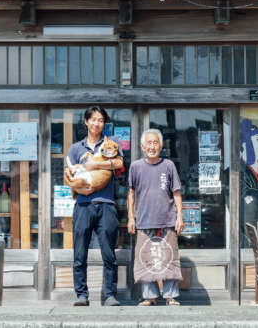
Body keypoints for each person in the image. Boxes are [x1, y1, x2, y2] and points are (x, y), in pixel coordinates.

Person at [64, 106, 124, 307]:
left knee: (109, 253)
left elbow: (118, 164)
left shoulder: (111, 144)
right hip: (83, 205)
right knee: (79, 253)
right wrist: (81, 189)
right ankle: (81, 294)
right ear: (86, 122)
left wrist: (95, 165)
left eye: (101, 120)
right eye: (94, 119)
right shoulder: (76, 148)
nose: (97, 123)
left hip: (106, 205)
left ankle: (110, 295)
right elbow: (68, 176)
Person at [128, 129, 184, 306]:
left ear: (160, 145)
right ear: (142, 146)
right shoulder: (135, 166)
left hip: (167, 219)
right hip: (144, 221)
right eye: (149, 143)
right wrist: (131, 217)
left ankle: (170, 296)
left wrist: (180, 216)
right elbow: (131, 193)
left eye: (155, 143)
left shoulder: (168, 165)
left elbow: (176, 192)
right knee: (145, 258)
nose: (152, 146)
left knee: (169, 257)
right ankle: (149, 297)